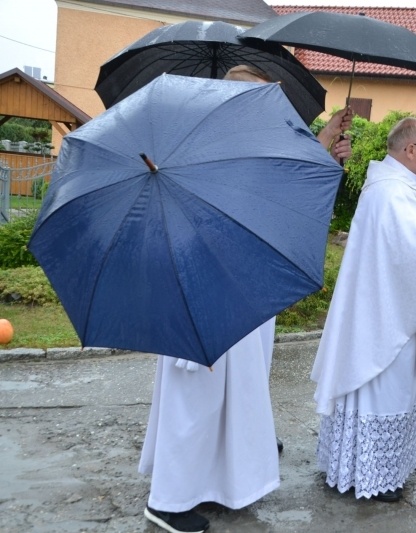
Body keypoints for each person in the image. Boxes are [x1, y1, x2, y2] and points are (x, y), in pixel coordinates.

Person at [139, 64, 353, 533]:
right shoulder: (200, 149)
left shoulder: (241, 145)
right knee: (194, 398)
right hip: (204, 290)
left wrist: (325, 142)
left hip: (242, 288)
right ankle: (167, 500)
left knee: (230, 392)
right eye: (261, 101)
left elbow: (280, 189)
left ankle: (219, 475)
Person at [311, 117, 416, 503]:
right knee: (383, 386)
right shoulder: (393, 192)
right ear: (410, 150)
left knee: (375, 388)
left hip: (377, 308)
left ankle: (360, 466)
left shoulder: (393, 185)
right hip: (384, 317)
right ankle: (372, 472)